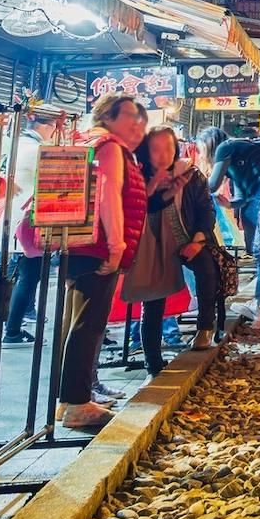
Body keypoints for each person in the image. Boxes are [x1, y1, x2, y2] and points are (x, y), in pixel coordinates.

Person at [58, 93, 148, 431]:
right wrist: (116, 246)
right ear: (107, 116)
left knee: (76, 322)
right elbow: (108, 195)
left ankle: (69, 398)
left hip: (79, 242)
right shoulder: (110, 147)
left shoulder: (91, 141)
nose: (136, 122)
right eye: (129, 115)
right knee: (88, 325)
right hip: (96, 245)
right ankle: (78, 405)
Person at [133, 127, 222, 371]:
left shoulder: (190, 174)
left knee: (205, 267)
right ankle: (153, 364)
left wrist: (198, 240)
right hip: (152, 245)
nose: (162, 155)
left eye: (168, 148)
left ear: (176, 149)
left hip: (187, 238)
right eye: (155, 149)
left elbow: (206, 210)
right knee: (152, 300)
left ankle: (205, 327)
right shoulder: (138, 177)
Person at [207, 128, 260, 330]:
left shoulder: (225, 147)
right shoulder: (238, 158)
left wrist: (187, 176)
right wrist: (229, 204)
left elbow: (211, 185)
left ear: (210, 143)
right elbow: (243, 197)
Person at [3, 112, 50, 344]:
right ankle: (11, 330)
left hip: (17, 218)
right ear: (44, 126)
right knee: (28, 277)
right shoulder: (34, 149)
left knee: (25, 275)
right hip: (29, 220)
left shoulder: (19, 144)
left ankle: (16, 324)